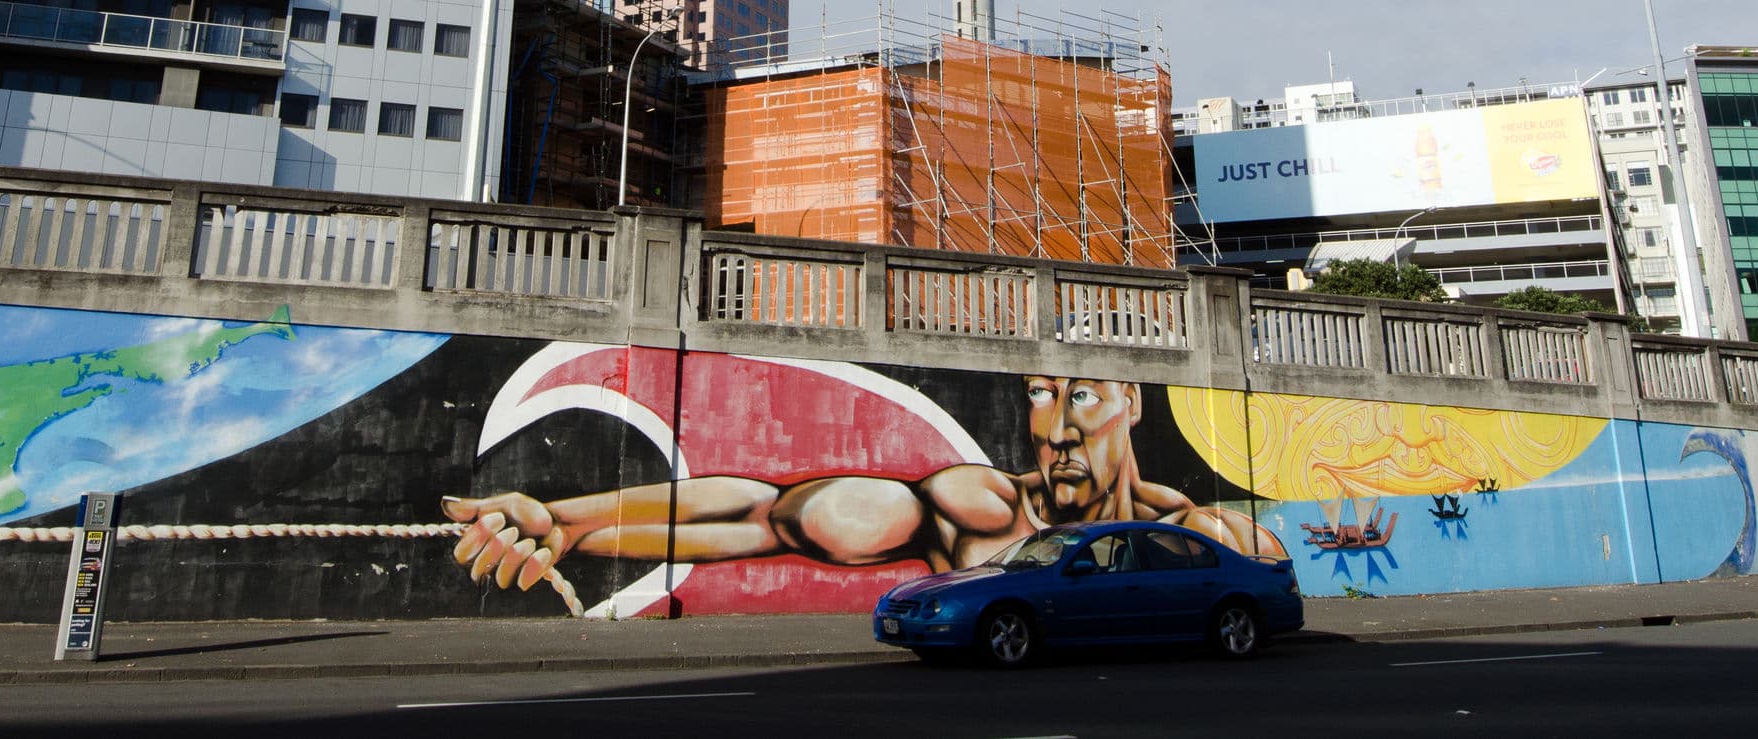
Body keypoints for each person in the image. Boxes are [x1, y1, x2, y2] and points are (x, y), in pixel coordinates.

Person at [442, 374, 1285, 595]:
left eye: (1084, 397)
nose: (1057, 426)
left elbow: (1272, 582)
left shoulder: (1215, 536)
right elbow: (762, 514)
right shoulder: (976, 510)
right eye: (1039, 394)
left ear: (1132, 404)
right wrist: (570, 521)